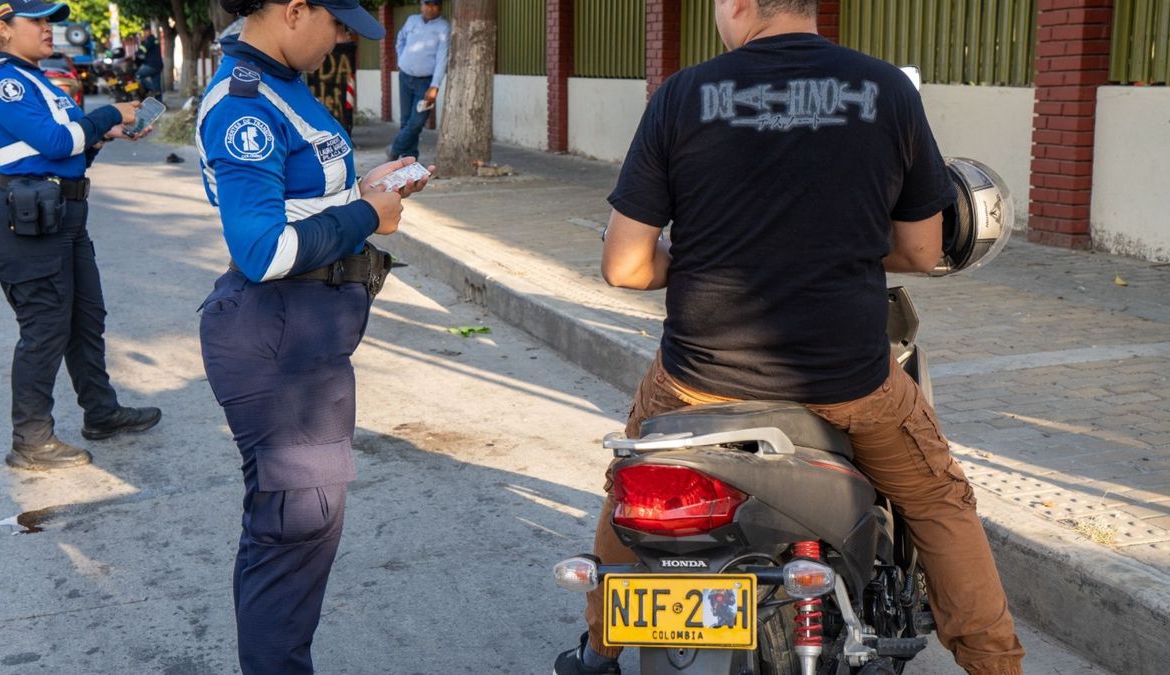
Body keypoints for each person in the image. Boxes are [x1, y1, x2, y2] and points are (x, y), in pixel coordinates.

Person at [553, 2, 1026, 675]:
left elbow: (625, 265)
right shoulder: (886, 89)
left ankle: (598, 650)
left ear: (742, 3)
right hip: (849, 379)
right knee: (939, 499)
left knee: (632, 477)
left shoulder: (683, 95)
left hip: (698, 376)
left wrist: (710, 255)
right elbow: (922, 249)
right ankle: (996, 665)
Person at [196, 1, 431, 672]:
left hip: (305, 339)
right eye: (337, 25)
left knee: (302, 526)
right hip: (280, 339)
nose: (340, 41)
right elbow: (262, 248)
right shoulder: (245, 103)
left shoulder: (283, 85)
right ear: (296, 9)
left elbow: (296, 197)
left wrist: (364, 190)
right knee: (293, 530)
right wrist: (366, 213)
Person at [0, 0, 162, 472]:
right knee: (44, 329)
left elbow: (68, 156)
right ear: (3, 28)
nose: (48, 30)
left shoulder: (38, 80)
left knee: (85, 318)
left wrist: (103, 136)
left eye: (49, 21)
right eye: (36, 21)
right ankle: (31, 441)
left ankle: (101, 412)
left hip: (62, 213)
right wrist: (107, 113)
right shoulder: (4, 81)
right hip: (27, 219)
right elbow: (57, 143)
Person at [386, 0, 448, 162]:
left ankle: (394, 149)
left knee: (416, 122)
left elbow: (442, 59)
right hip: (405, 76)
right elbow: (400, 40)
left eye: (434, 4)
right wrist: (402, 60)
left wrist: (435, 85)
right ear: (421, 5)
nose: (430, 8)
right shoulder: (411, 21)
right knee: (405, 121)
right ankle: (410, 158)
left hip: (425, 82)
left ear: (440, 7)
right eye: (427, 4)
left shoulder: (443, 27)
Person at [134, 25, 162, 101]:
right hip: (158, 65)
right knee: (157, 85)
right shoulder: (154, 39)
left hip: (151, 65)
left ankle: (152, 89)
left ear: (149, 31)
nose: (144, 33)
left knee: (138, 75)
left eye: (145, 31)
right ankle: (160, 104)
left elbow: (142, 50)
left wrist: (135, 54)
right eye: (144, 31)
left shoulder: (149, 40)